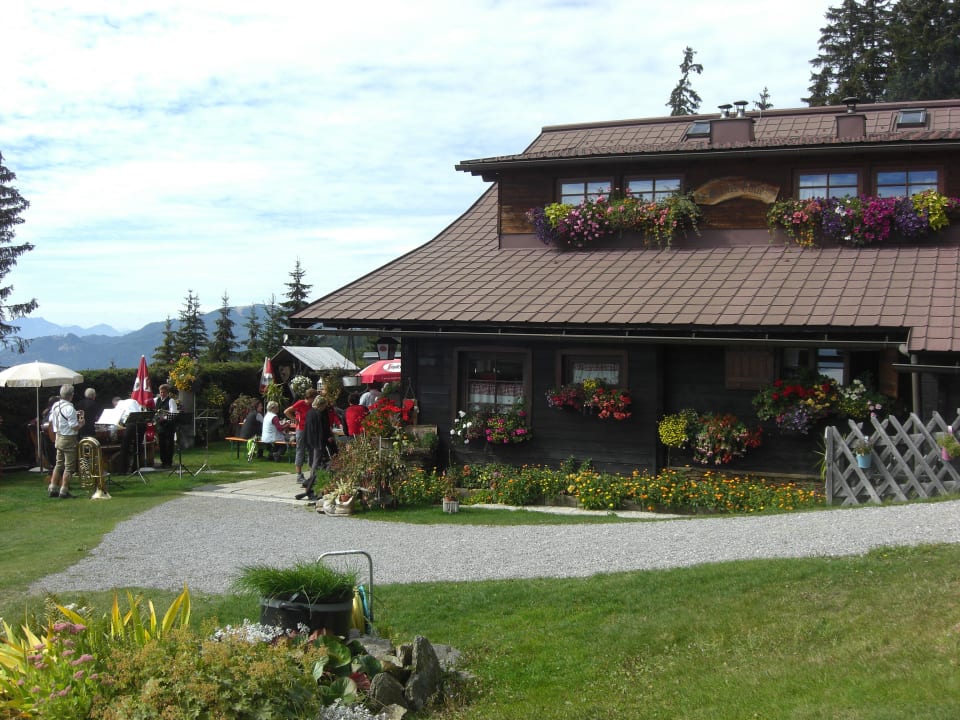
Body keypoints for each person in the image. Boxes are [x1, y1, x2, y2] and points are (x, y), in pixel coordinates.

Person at [296, 396, 338, 501]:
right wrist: (328, 438)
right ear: (321, 405)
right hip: (318, 441)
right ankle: (311, 482)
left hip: (310, 440)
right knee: (316, 461)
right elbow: (322, 429)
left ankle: (310, 481)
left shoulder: (310, 412)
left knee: (314, 461)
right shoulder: (319, 414)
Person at [47, 384, 80, 498]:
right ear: (71, 395)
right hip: (68, 438)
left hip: (58, 436)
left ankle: (52, 488)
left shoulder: (56, 405)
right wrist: (82, 423)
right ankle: (64, 491)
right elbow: (74, 426)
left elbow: (51, 420)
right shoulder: (70, 408)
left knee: (58, 464)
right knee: (69, 467)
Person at [283, 388, 316, 483]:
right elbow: (286, 411)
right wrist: (294, 419)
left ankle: (312, 473)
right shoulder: (301, 403)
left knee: (311, 450)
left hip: (310, 430)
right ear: (310, 397)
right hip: (301, 429)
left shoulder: (312, 406)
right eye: (313, 398)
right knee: (300, 450)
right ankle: (299, 475)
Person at [115, 394, 144, 473]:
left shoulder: (118, 405)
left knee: (125, 447)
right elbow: (140, 410)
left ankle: (123, 470)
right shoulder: (133, 401)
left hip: (131, 423)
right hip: (141, 422)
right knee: (137, 446)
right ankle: (136, 468)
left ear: (115, 402)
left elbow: (117, 420)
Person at [153, 384, 179, 468]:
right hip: (160, 426)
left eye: (164, 392)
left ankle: (169, 462)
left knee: (169, 444)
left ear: (167, 392)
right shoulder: (157, 400)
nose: (162, 394)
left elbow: (173, 413)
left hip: (169, 426)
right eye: (161, 392)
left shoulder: (171, 401)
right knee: (161, 444)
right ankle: (163, 461)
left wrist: (164, 418)